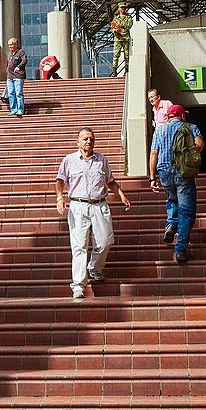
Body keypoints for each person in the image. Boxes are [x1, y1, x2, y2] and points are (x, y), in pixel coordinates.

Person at [55, 128, 131, 300]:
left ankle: (95, 268)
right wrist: (60, 198)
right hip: (78, 206)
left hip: (99, 205)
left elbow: (110, 181)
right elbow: (60, 181)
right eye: (85, 139)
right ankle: (79, 285)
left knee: (105, 241)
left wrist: (121, 195)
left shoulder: (101, 160)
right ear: (78, 142)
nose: (89, 142)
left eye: (91, 139)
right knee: (79, 246)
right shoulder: (69, 160)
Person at [149, 104, 205, 265]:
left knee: (172, 199)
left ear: (169, 116)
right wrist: (190, 155)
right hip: (183, 172)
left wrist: (153, 177)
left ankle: (171, 225)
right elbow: (200, 144)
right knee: (186, 211)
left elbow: (154, 153)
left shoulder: (159, 130)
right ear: (181, 115)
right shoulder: (191, 127)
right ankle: (180, 249)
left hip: (164, 172)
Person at [6, 37, 28, 118]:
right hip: (10, 77)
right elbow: (7, 64)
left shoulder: (21, 52)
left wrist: (19, 67)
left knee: (18, 93)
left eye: (11, 44)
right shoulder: (9, 53)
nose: (10, 46)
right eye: (9, 45)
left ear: (16, 44)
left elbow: (24, 60)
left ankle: (20, 109)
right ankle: (13, 109)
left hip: (18, 76)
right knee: (11, 93)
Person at [111, 4, 134, 76]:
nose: (123, 8)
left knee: (126, 55)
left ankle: (127, 70)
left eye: (124, 7)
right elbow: (112, 28)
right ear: (118, 9)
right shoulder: (116, 19)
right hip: (118, 38)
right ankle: (115, 71)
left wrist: (120, 26)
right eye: (121, 7)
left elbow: (129, 25)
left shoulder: (128, 18)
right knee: (116, 54)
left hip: (125, 38)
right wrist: (116, 30)